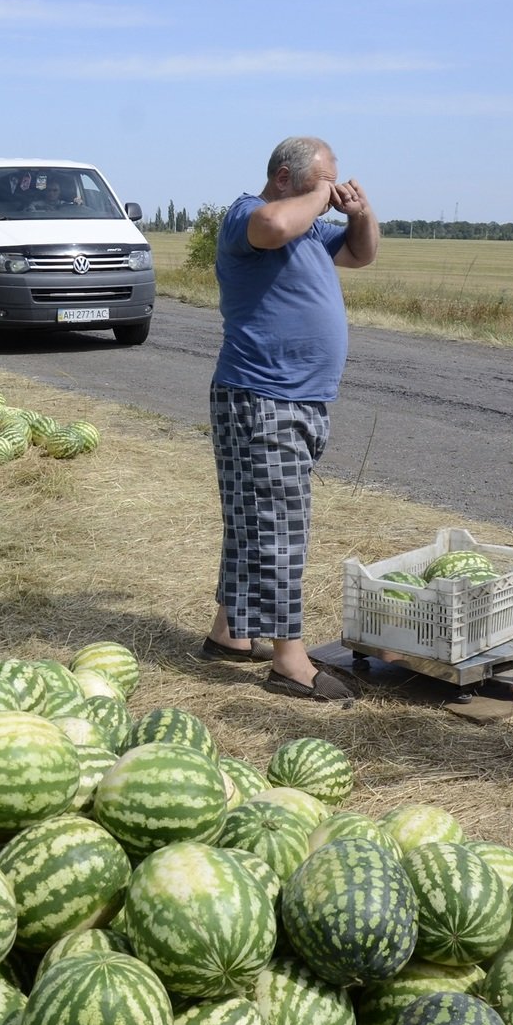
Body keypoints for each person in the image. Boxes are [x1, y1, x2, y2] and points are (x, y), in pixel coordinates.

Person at [198, 136, 379, 701]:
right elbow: (275, 226)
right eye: (322, 180)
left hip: (296, 400)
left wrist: (361, 213)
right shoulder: (246, 216)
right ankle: (289, 659)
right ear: (283, 178)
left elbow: (361, 254)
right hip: (261, 398)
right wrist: (322, 198)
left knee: (254, 520)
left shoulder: (313, 230)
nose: (333, 189)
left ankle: (230, 632)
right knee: (279, 529)